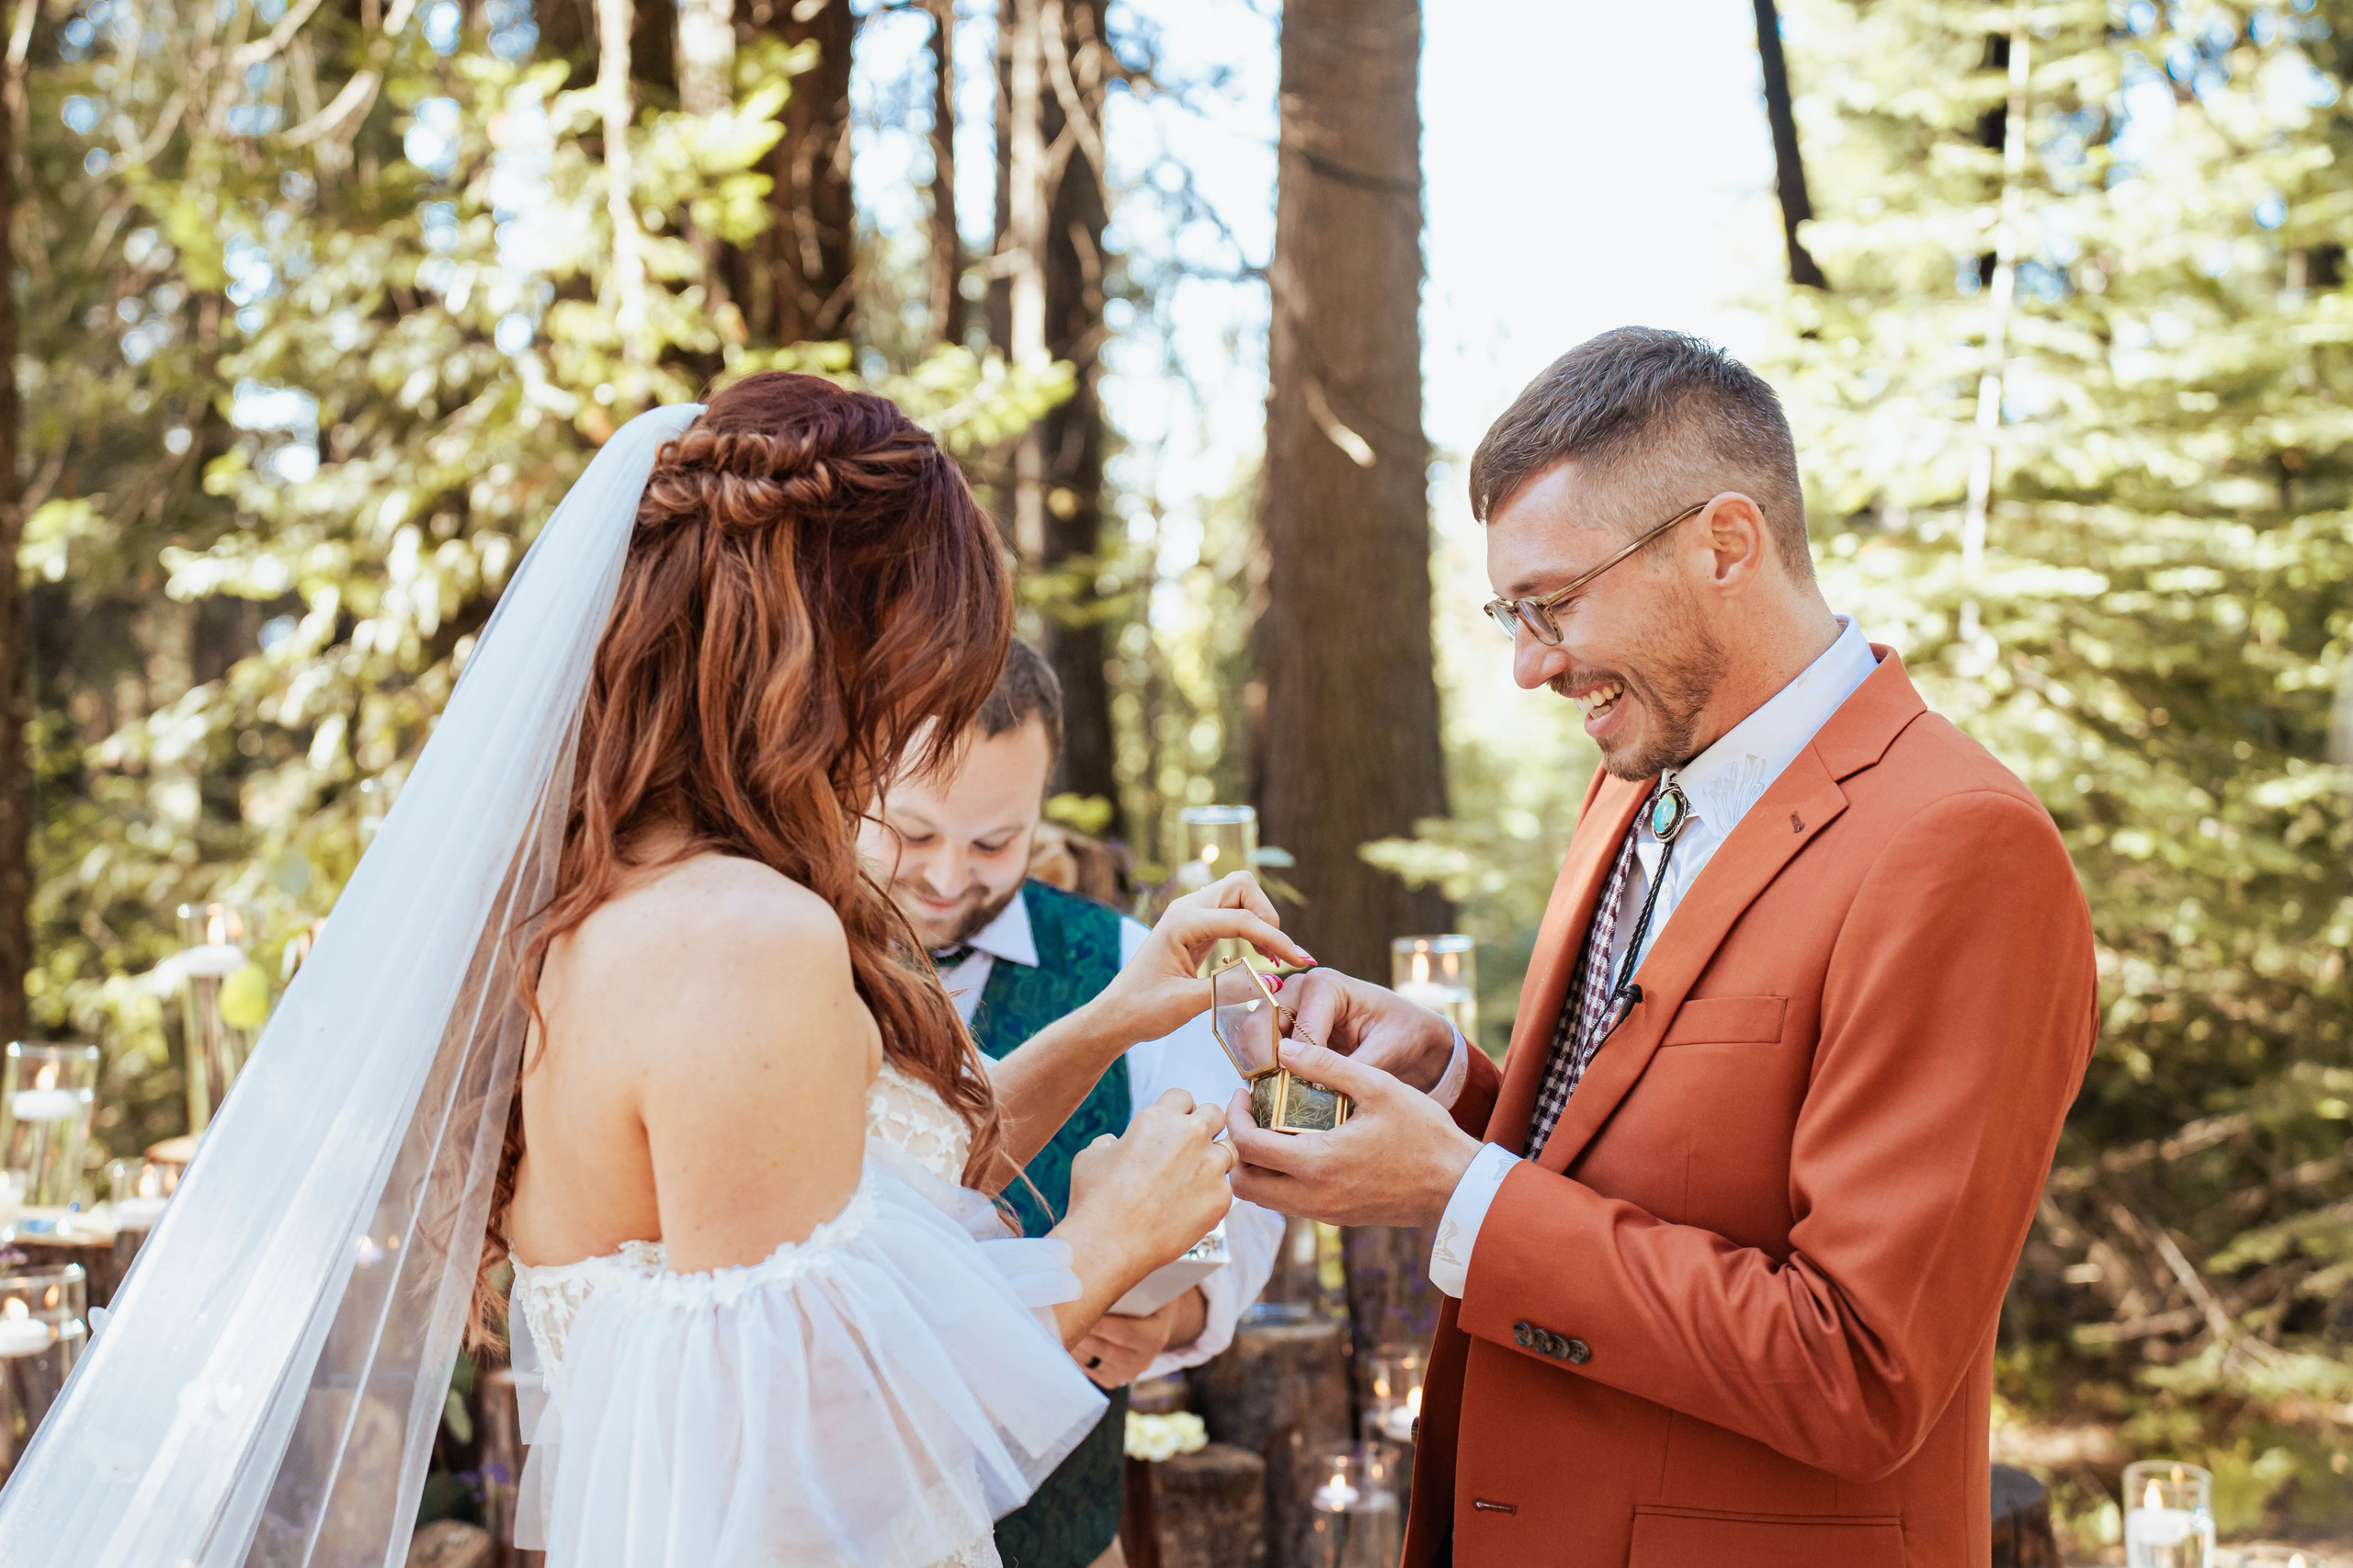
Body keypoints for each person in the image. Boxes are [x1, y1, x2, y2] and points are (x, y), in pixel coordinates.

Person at [0, 373, 1307, 1568]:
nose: (904, 735)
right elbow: (795, 1479)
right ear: (829, 666)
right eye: (914, 681)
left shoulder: (619, 895)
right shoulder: (744, 941)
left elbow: (863, 1195)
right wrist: (1103, 1242)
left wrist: (1112, 1019)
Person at [1224, 329, 2098, 1568]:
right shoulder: (1632, 784)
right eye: (1511, 613)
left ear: (1724, 544)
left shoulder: (1961, 845)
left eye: (1555, 603)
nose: (1529, 664)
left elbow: (1861, 1370)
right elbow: (1632, 1168)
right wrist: (1454, 1088)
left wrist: (1455, 1192)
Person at [859, 638, 1285, 1568]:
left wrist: (1171, 1311)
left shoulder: (1130, 959)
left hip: (1068, 1536)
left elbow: (1238, 1199)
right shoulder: (790, 963)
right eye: (914, 833)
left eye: (993, 842)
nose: (946, 877)